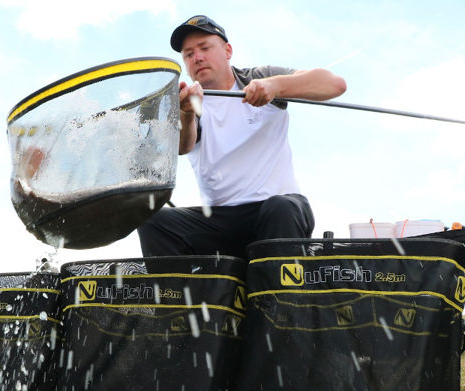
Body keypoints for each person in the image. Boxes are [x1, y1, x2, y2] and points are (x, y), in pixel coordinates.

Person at [137, 15, 347, 260]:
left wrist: (276, 86)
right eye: (189, 54)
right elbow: (184, 146)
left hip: (277, 212)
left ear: (227, 51)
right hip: (219, 221)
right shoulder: (185, 100)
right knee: (153, 218)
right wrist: (186, 112)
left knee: (281, 207)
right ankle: (180, 295)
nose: (198, 58)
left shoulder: (258, 78)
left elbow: (335, 85)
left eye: (205, 48)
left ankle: (276, 298)